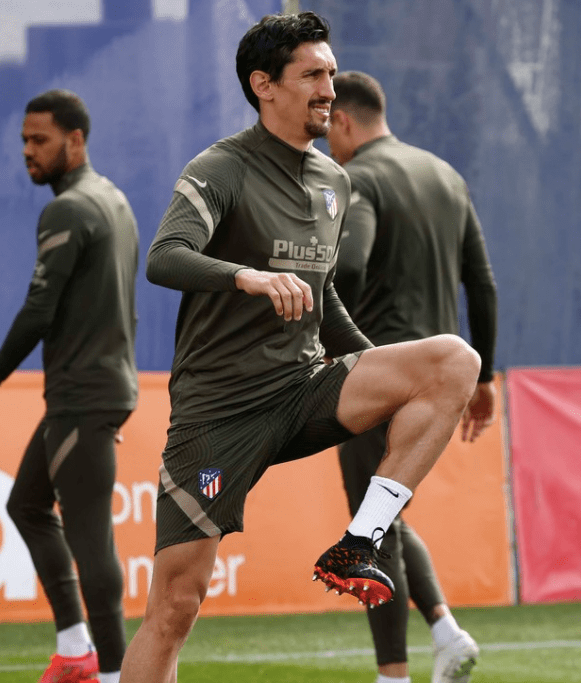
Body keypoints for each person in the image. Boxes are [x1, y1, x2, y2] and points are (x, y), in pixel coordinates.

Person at [118, 12, 481, 683]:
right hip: (220, 413)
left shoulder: (335, 180)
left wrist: (377, 370)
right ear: (264, 86)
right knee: (173, 608)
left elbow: (324, 295)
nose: (329, 89)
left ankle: (360, 540)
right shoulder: (221, 168)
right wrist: (247, 276)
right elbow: (165, 256)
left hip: (304, 386)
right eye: (312, 74)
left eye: (331, 73)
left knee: (454, 360)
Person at [326, 71, 498, 683]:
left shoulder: (360, 178)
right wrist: (484, 377)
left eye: (328, 130)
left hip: (382, 376)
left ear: (343, 120)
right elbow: (482, 283)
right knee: (387, 516)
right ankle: (446, 634)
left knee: (370, 531)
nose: (326, 145)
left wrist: (331, 345)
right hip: (443, 383)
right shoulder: (446, 175)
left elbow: (349, 265)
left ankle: (392, 676)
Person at [2, 90, 139, 683]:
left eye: (40, 140)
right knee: (26, 505)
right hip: (99, 389)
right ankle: (78, 650)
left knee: (91, 540)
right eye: (24, 141)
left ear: (75, 140)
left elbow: (38, 311)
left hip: (84, 395)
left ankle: (111, 673)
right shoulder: (113, 199)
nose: (28, 151)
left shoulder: (68, 209)